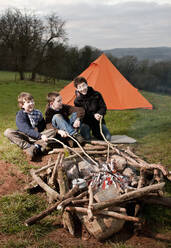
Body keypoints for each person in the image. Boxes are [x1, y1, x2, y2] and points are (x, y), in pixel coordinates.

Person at [4, 92, 56, 160]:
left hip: (35, 136)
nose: (31, 103)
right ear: (22, 105)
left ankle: (37, 145)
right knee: (8, 132)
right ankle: (28, 146)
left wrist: (38, 128)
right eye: (28, 102)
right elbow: (25, 129)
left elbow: (43, 124)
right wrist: (40, 136)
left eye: (32, 101)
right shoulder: (20, 115)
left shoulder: (38, 113)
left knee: (52, 131)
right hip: (25, 136)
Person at [74, 76, 111, 141]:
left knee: (107, 137)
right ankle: (86, 132)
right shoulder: (77, 101)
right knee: (87, 138)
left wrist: (99, 113)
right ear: (77, 89)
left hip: (97, 121)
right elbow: (79, 113)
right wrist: (78, 119)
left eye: (84, 85)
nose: (83, 89)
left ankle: (96, 133)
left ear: (87, 85)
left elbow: (103, 107)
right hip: (85, 122)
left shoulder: (97, 94)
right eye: (80, 87)